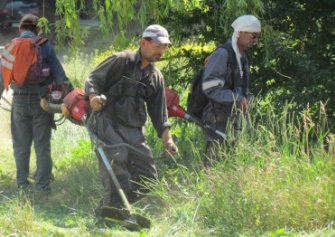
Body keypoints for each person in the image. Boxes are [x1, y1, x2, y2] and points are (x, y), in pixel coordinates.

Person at [84, 24, 178, 217]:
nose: (162, 51)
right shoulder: (121, 60)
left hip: (135, 130)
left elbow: (160, 113)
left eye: (165, 47)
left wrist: (168, 140)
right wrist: (93, 97)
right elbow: (92, 79)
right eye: (158, 46)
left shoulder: (155, 76)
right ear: (143, 42)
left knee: (148, 179)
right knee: (116, 172)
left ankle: (109, 209)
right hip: (108, 123)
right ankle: (113, 217)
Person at [0, 14, 73, 194]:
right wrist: (73, 96)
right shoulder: (44, 45)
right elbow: (59, 75)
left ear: (20, 28)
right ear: (37, 29)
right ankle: (42, 186)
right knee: (42, 144)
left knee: (21, 145)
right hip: (42, 102)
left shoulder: (11, 47)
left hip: (19, 101)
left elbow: (2, 77)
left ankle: (22, 184)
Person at [201, 15, 261, 169]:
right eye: (253, 35)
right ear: (240, 32)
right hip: (218, 118)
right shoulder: (223, 54)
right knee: (213, 164)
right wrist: (237, 99)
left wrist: (246, 100)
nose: (256, 40)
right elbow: (209, 87)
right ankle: (210, 191)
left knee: (232, 163)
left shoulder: (243, 56)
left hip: (235, 119)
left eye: (258, 36)